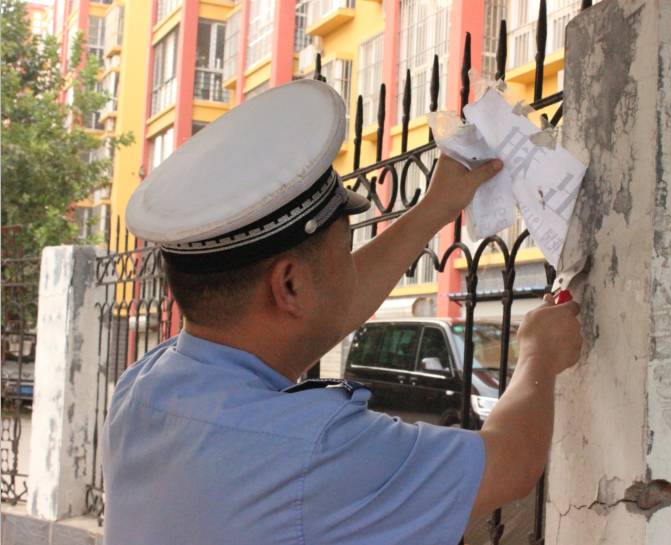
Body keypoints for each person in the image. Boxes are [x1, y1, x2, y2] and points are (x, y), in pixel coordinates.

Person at [103, 79, 582, 545]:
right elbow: (511, 464)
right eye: (346, 249)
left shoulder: (146, 387)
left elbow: (330, 304)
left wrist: (435, 209)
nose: (350, 269)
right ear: (289, 285)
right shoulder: (311, 452)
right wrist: (537, 355)